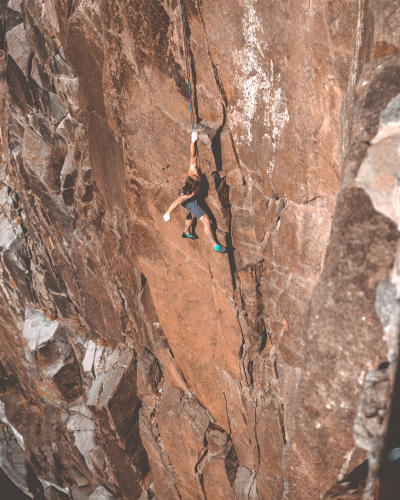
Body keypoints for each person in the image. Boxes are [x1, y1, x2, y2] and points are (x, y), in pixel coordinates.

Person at [163, 132, 227, 253]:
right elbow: (177, 202)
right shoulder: (189, 194)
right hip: (188, 201)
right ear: (195, 189)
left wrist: (193, 140)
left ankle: (186, 232)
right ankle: (215, 245)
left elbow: (192, 154)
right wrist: (167, 213)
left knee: (192, 214)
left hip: (188, 197)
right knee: (206, 220)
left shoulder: (193, 170)